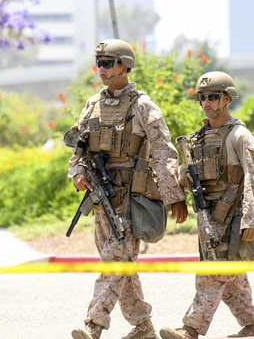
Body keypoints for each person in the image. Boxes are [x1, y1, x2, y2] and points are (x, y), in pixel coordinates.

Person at [67, 39, 188, 339]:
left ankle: (94, 324)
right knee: (120, 262)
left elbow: (164, 152)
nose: (102, 69)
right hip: (100, 197)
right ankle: (142, 324)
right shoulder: (93, 104)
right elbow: (78, 149)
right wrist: (77, 171)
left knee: (115, 260)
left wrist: (174, 197)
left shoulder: (142, 106)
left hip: (132, 199)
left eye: (108, 63)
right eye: (99, 63)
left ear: (124, 66)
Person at [159, 71, 254, 339]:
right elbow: (184, 176)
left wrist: (253, 220)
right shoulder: (198, 138)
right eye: (201, 97)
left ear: (227, 99)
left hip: (231, 215)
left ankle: (192, 328)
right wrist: (182, 181)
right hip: (207, 215)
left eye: (212, 97)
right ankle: (253, 325)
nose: (206, 102)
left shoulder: (239, 136)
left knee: (213, 272)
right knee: (230, 276)